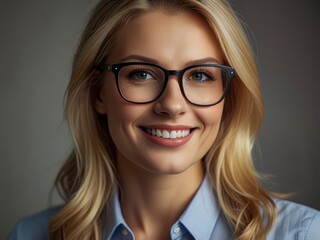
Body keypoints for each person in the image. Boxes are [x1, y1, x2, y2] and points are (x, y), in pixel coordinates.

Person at [8, 0, 320, 239]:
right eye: (141, 74)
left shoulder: (304, 234)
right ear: (97, 93)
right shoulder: (29, 235)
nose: (172, 105)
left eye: (200, 75)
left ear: (228, 97)